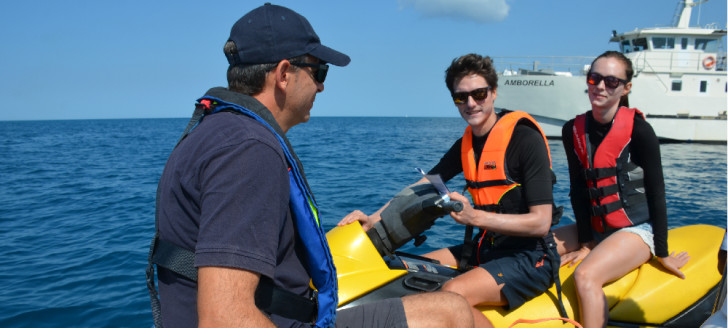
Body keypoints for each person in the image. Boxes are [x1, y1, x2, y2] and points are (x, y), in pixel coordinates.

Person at [145, 3, 474, 328]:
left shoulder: (215, 131)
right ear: (284, 74)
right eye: (318, 72)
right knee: (453, 311)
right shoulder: (248, 153)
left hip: (279, 311)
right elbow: (224, 318)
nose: (321, 85)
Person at [338, 53, 561, 328]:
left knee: (453, 294)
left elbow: (541, 222)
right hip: (488, 248)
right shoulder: (466, 144)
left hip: (530, 257)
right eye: (461, 97)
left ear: (493, 92)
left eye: (479, 93)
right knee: (406, 270)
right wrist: (375, 218)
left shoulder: (525, 140)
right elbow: (425, 183)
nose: (470, 103)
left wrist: (474, 218)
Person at [555, 50, 690, 327]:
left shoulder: (640, 131)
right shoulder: (572, 130)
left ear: (626, 88)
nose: (601, 86)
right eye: (595, 78)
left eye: (612, 81)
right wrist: (585, 243)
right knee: (537, 244)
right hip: (596, 228)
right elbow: (579, 190)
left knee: (585, 275)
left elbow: (656, 192)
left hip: (636, 231)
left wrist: (662, 253)